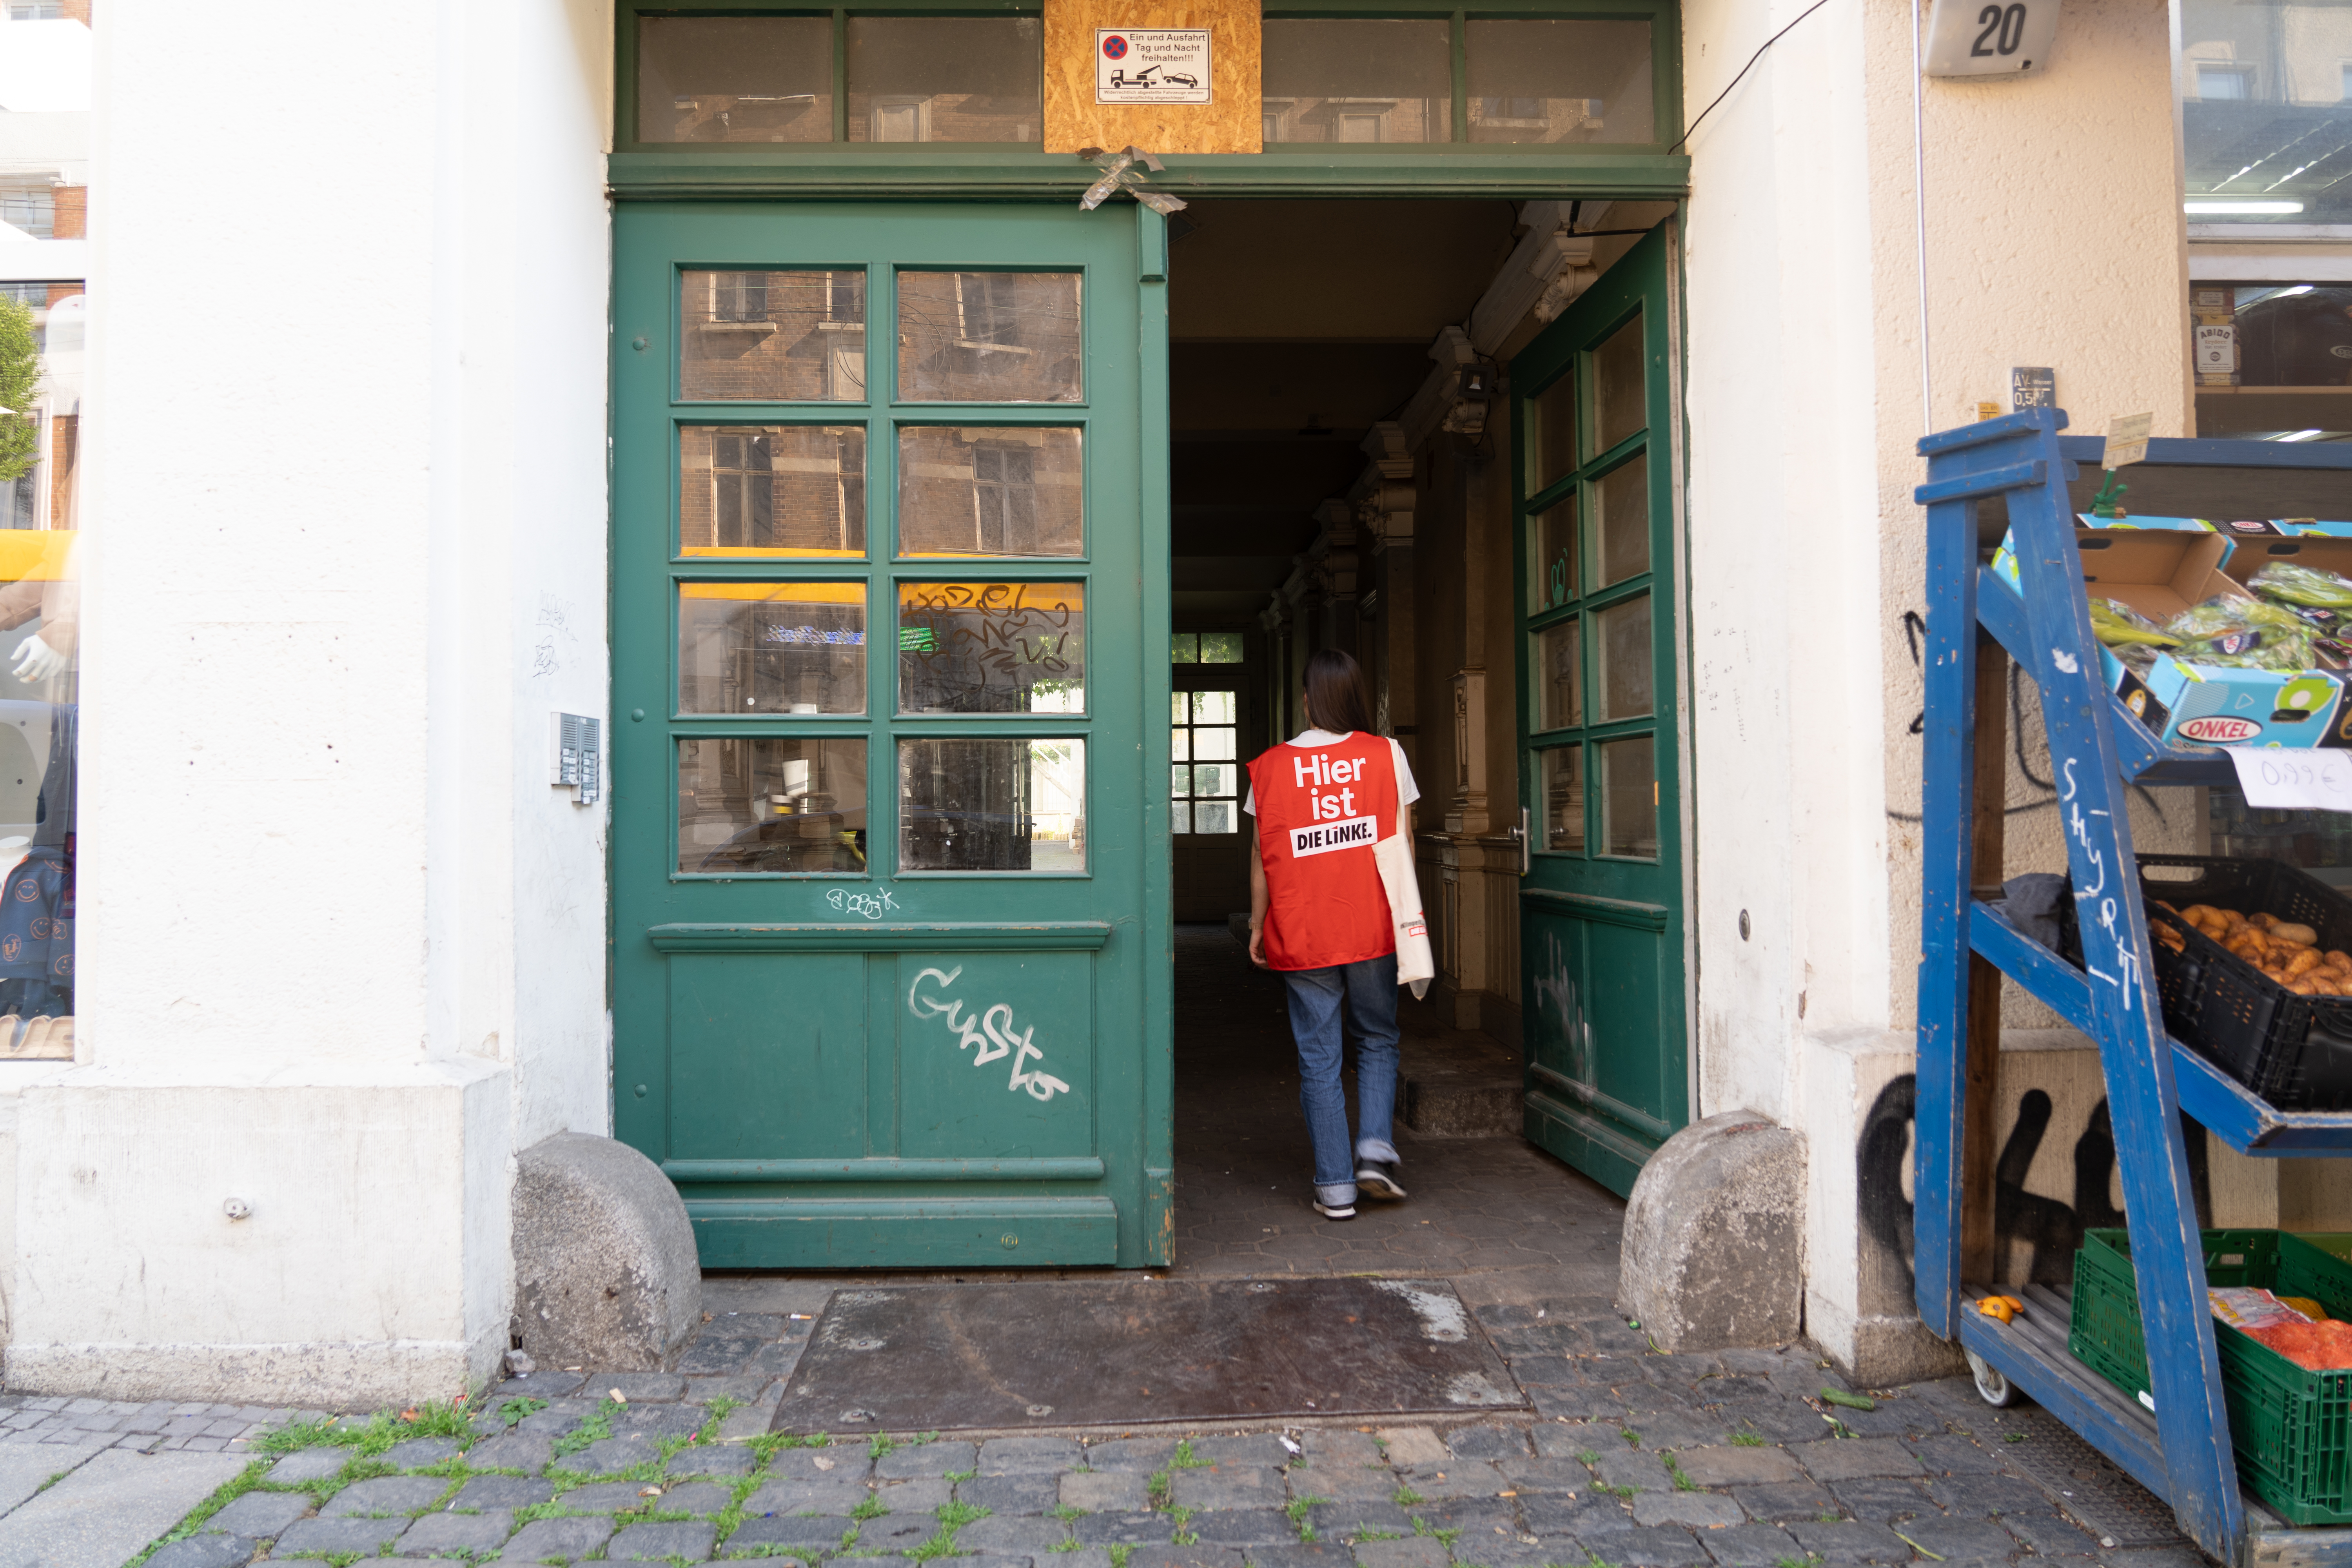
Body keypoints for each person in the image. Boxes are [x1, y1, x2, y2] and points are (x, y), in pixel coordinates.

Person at [1243, 648, 1420, 1220]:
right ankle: (1373, 1151)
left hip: (1302, 929)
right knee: (1377, 1037)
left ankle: (1335, 1188)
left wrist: (1256, 923)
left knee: (1319, 1058)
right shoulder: (1387, 756)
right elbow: (1403, 848)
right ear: (1354, 697)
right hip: (1371, 924)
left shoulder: (1269, 768)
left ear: (1306, 700)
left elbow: (1260, 856)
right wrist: (1410, 921)